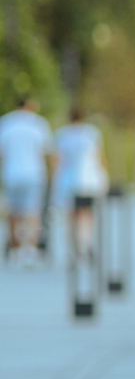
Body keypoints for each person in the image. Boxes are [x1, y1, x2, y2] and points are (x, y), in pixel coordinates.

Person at [1, 94, 55, 265]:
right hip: (34, 174)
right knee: (33, 213)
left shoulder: (6, 123)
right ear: (30, 105)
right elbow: (47, 152)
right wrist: (53, 174)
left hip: (12, 174)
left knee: (14, 212)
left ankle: (15, 248)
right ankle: (29, 248)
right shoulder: (38, 123)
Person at [53, 106, 109, 259]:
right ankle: (87, 241)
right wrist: (104, 178)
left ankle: (75, 245)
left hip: (68, 179)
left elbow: (58, 160)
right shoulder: (91, 133)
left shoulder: (62, 134)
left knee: (71, 215)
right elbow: (99, 157)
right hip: (88, 180)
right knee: (88, 214)